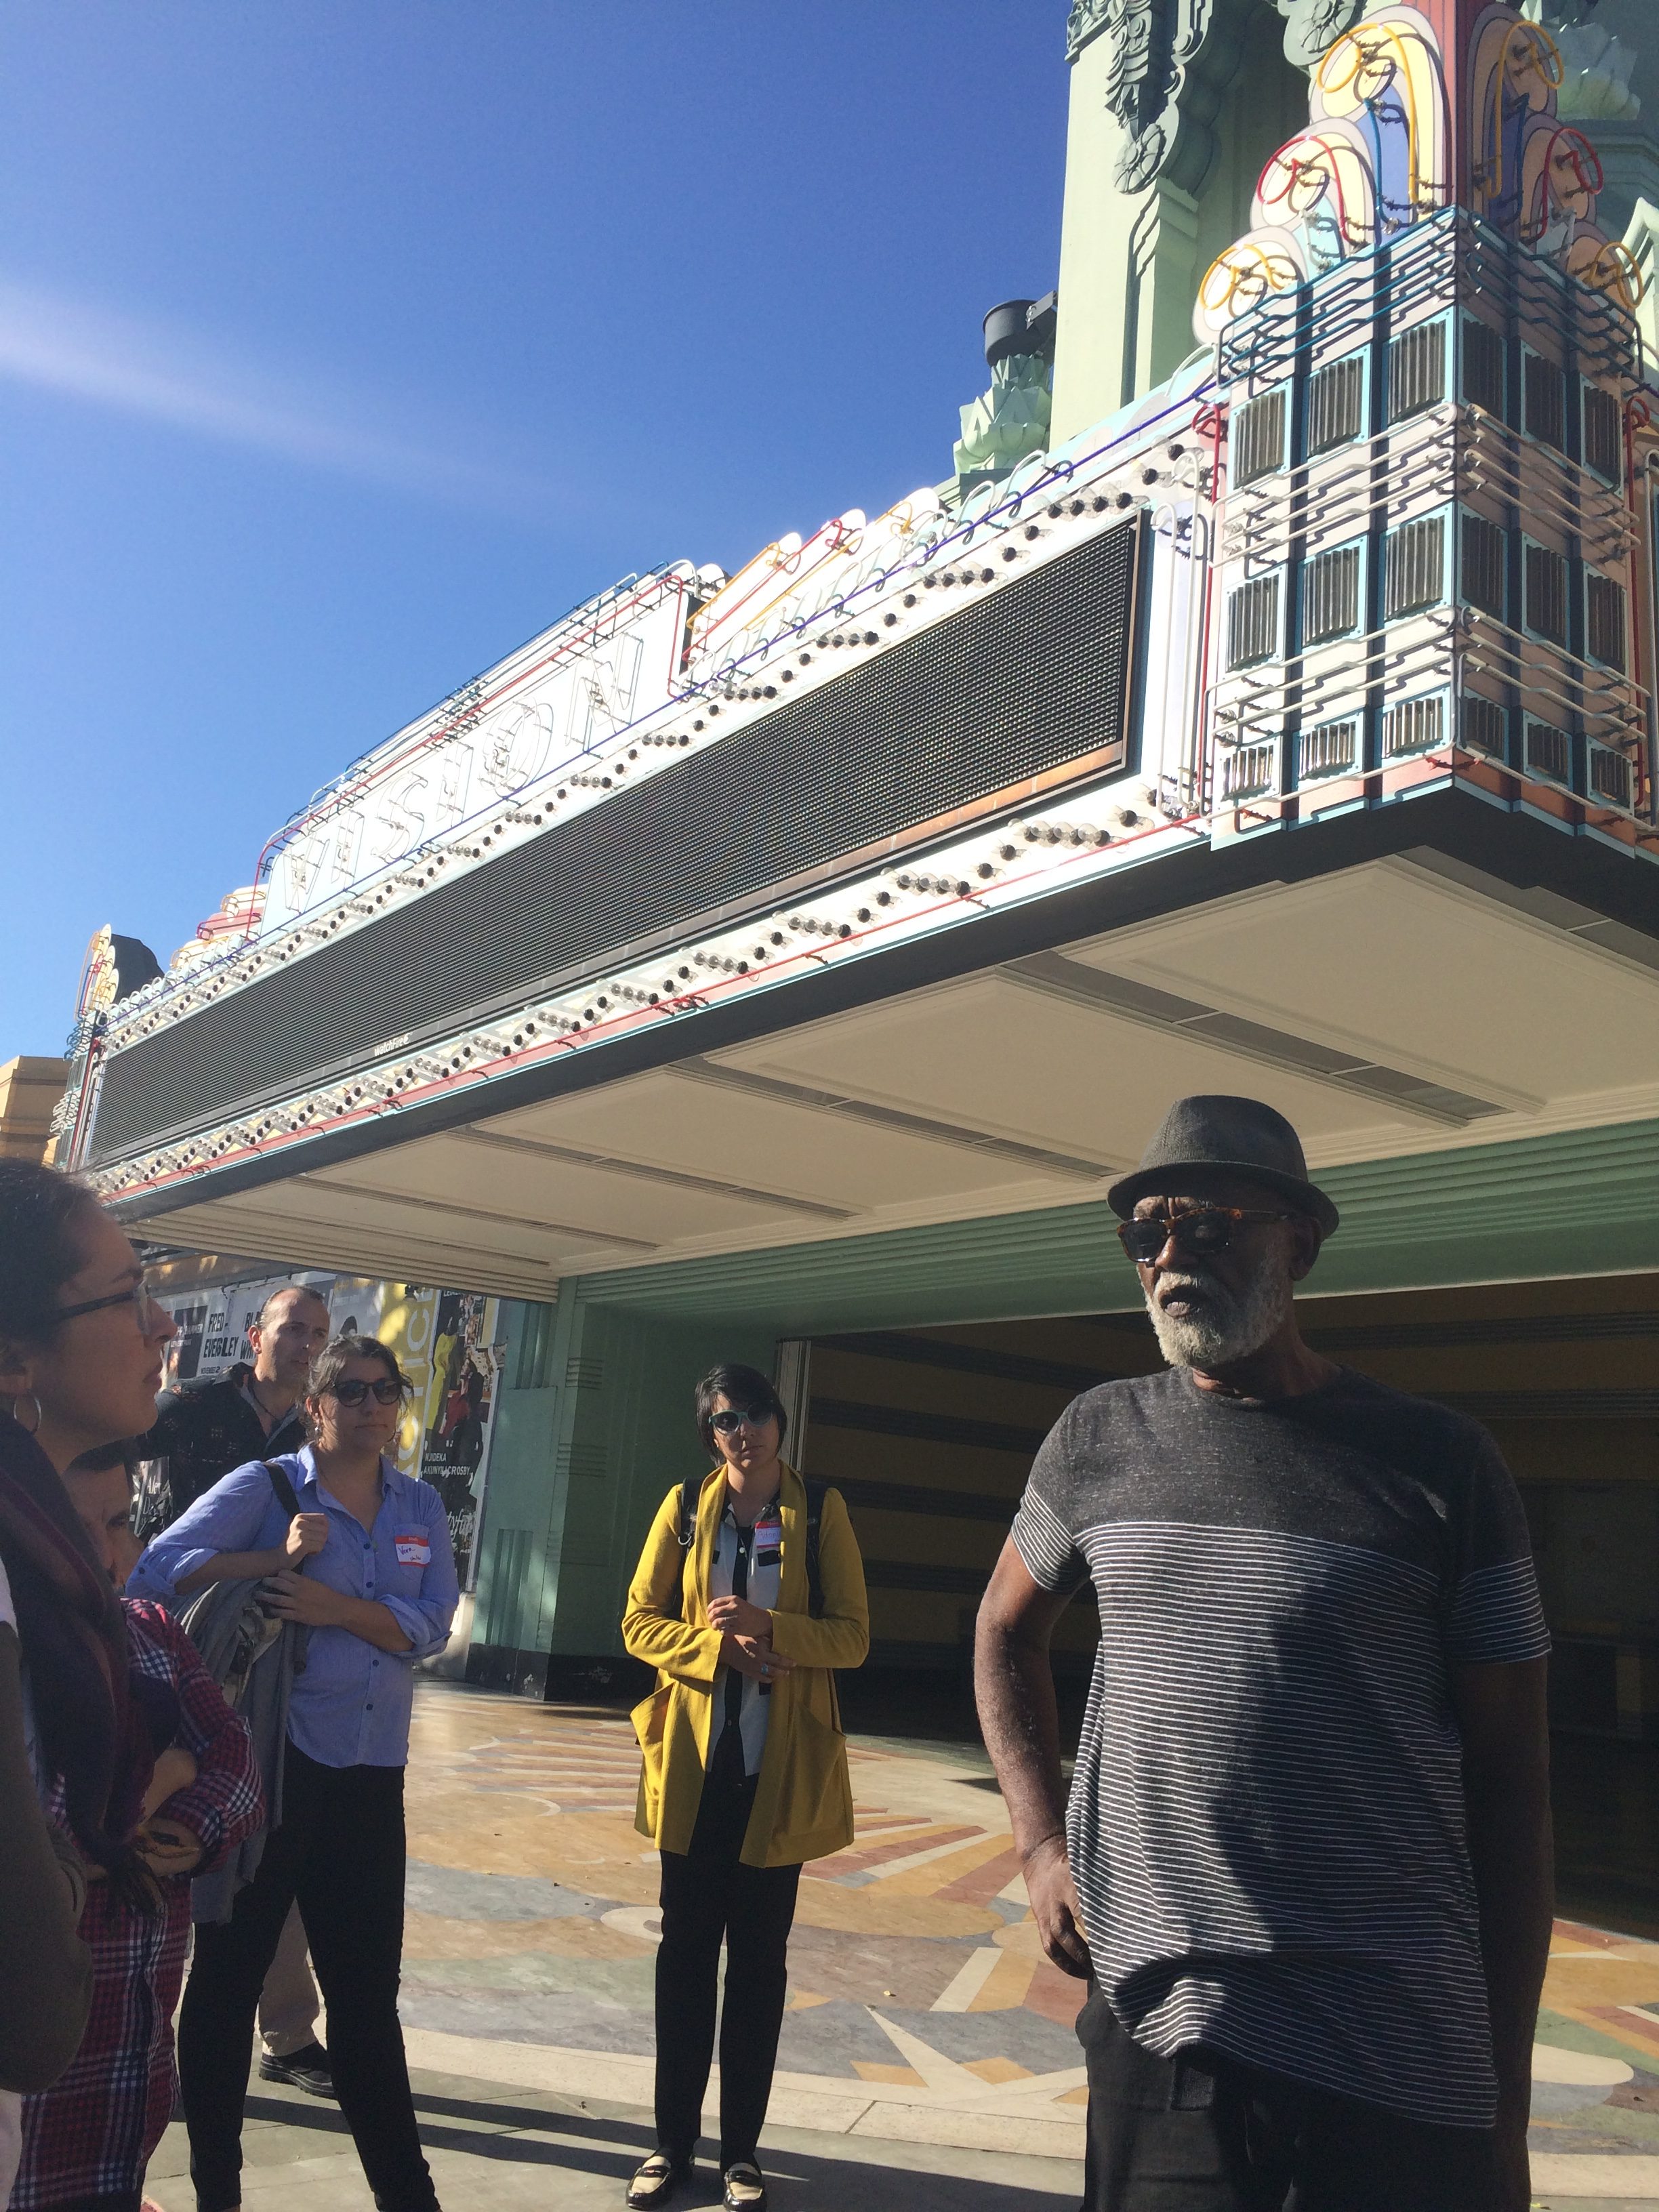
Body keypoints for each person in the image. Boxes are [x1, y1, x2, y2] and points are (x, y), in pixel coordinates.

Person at [975, 1095, 1554, 2212]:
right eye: (1145, 1230)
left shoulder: (1440, 1462)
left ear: (1298, 1241)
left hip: (1389, 2052)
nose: (1169, 1257)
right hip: (1161, 2037)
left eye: (1207, 1224)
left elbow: (1514, 1785)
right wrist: (1040, 1842)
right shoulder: (1095, 1434)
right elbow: (1002, 1628)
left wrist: (1506, 2102)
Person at [130, 1334, 459, 2212]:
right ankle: (217, 2192)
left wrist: (336, 1607)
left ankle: (408, 2196)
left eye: (384, 1391)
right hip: (274, 1764)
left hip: (369, 1775)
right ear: (314, 1407)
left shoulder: (420, 1505)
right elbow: (153, 1570)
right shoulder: (269, 1489)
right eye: (348, 1392)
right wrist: (271, 1560)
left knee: (365, 2001)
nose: (370, 1406)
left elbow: (434, 1626)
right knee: (229, 1979)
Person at [621, 1362, 869, 2212]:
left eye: (757, 1414)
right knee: (683, 1957)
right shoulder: (685, 1511)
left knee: (759, 1965)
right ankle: (668, 2146)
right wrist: (710, 1648)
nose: (745, 1432)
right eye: (727, 1421)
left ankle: (742, 2154)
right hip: (695, 1771)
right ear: (710, 1435)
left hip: (779, 1772)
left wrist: (772, 1625)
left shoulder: (821, 1509)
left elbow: (854, 1638)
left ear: (780, 1420)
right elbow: (636, 1620)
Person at [12, 1441, 263, 2212]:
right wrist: (164, 1772)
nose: (109, 1551)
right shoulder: (17, 1658)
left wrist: (165, 1817)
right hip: (33, 2093)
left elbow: (236, 1764)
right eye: (73, 1525)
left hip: (128, 2098)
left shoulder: (152, 1632)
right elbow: (36, 1831)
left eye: (123, 1521)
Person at [0, 1158, 182, 2202]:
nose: (162, 1326)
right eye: (126, 1295)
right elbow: (33, 2014)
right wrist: (73, 1872)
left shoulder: (44, 1573)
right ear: (16, 1358)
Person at [136, 1281, 335, 2097]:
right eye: (293, 1329)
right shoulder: (191, 1408)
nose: (304, 1345)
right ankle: (148, 2042)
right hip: (183, 1652)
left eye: (318, 1334)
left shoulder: (318, 1429)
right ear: (257, 1335)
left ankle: (287, 2033)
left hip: (276, 1665)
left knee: (266, 1839)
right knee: (172, 1844)